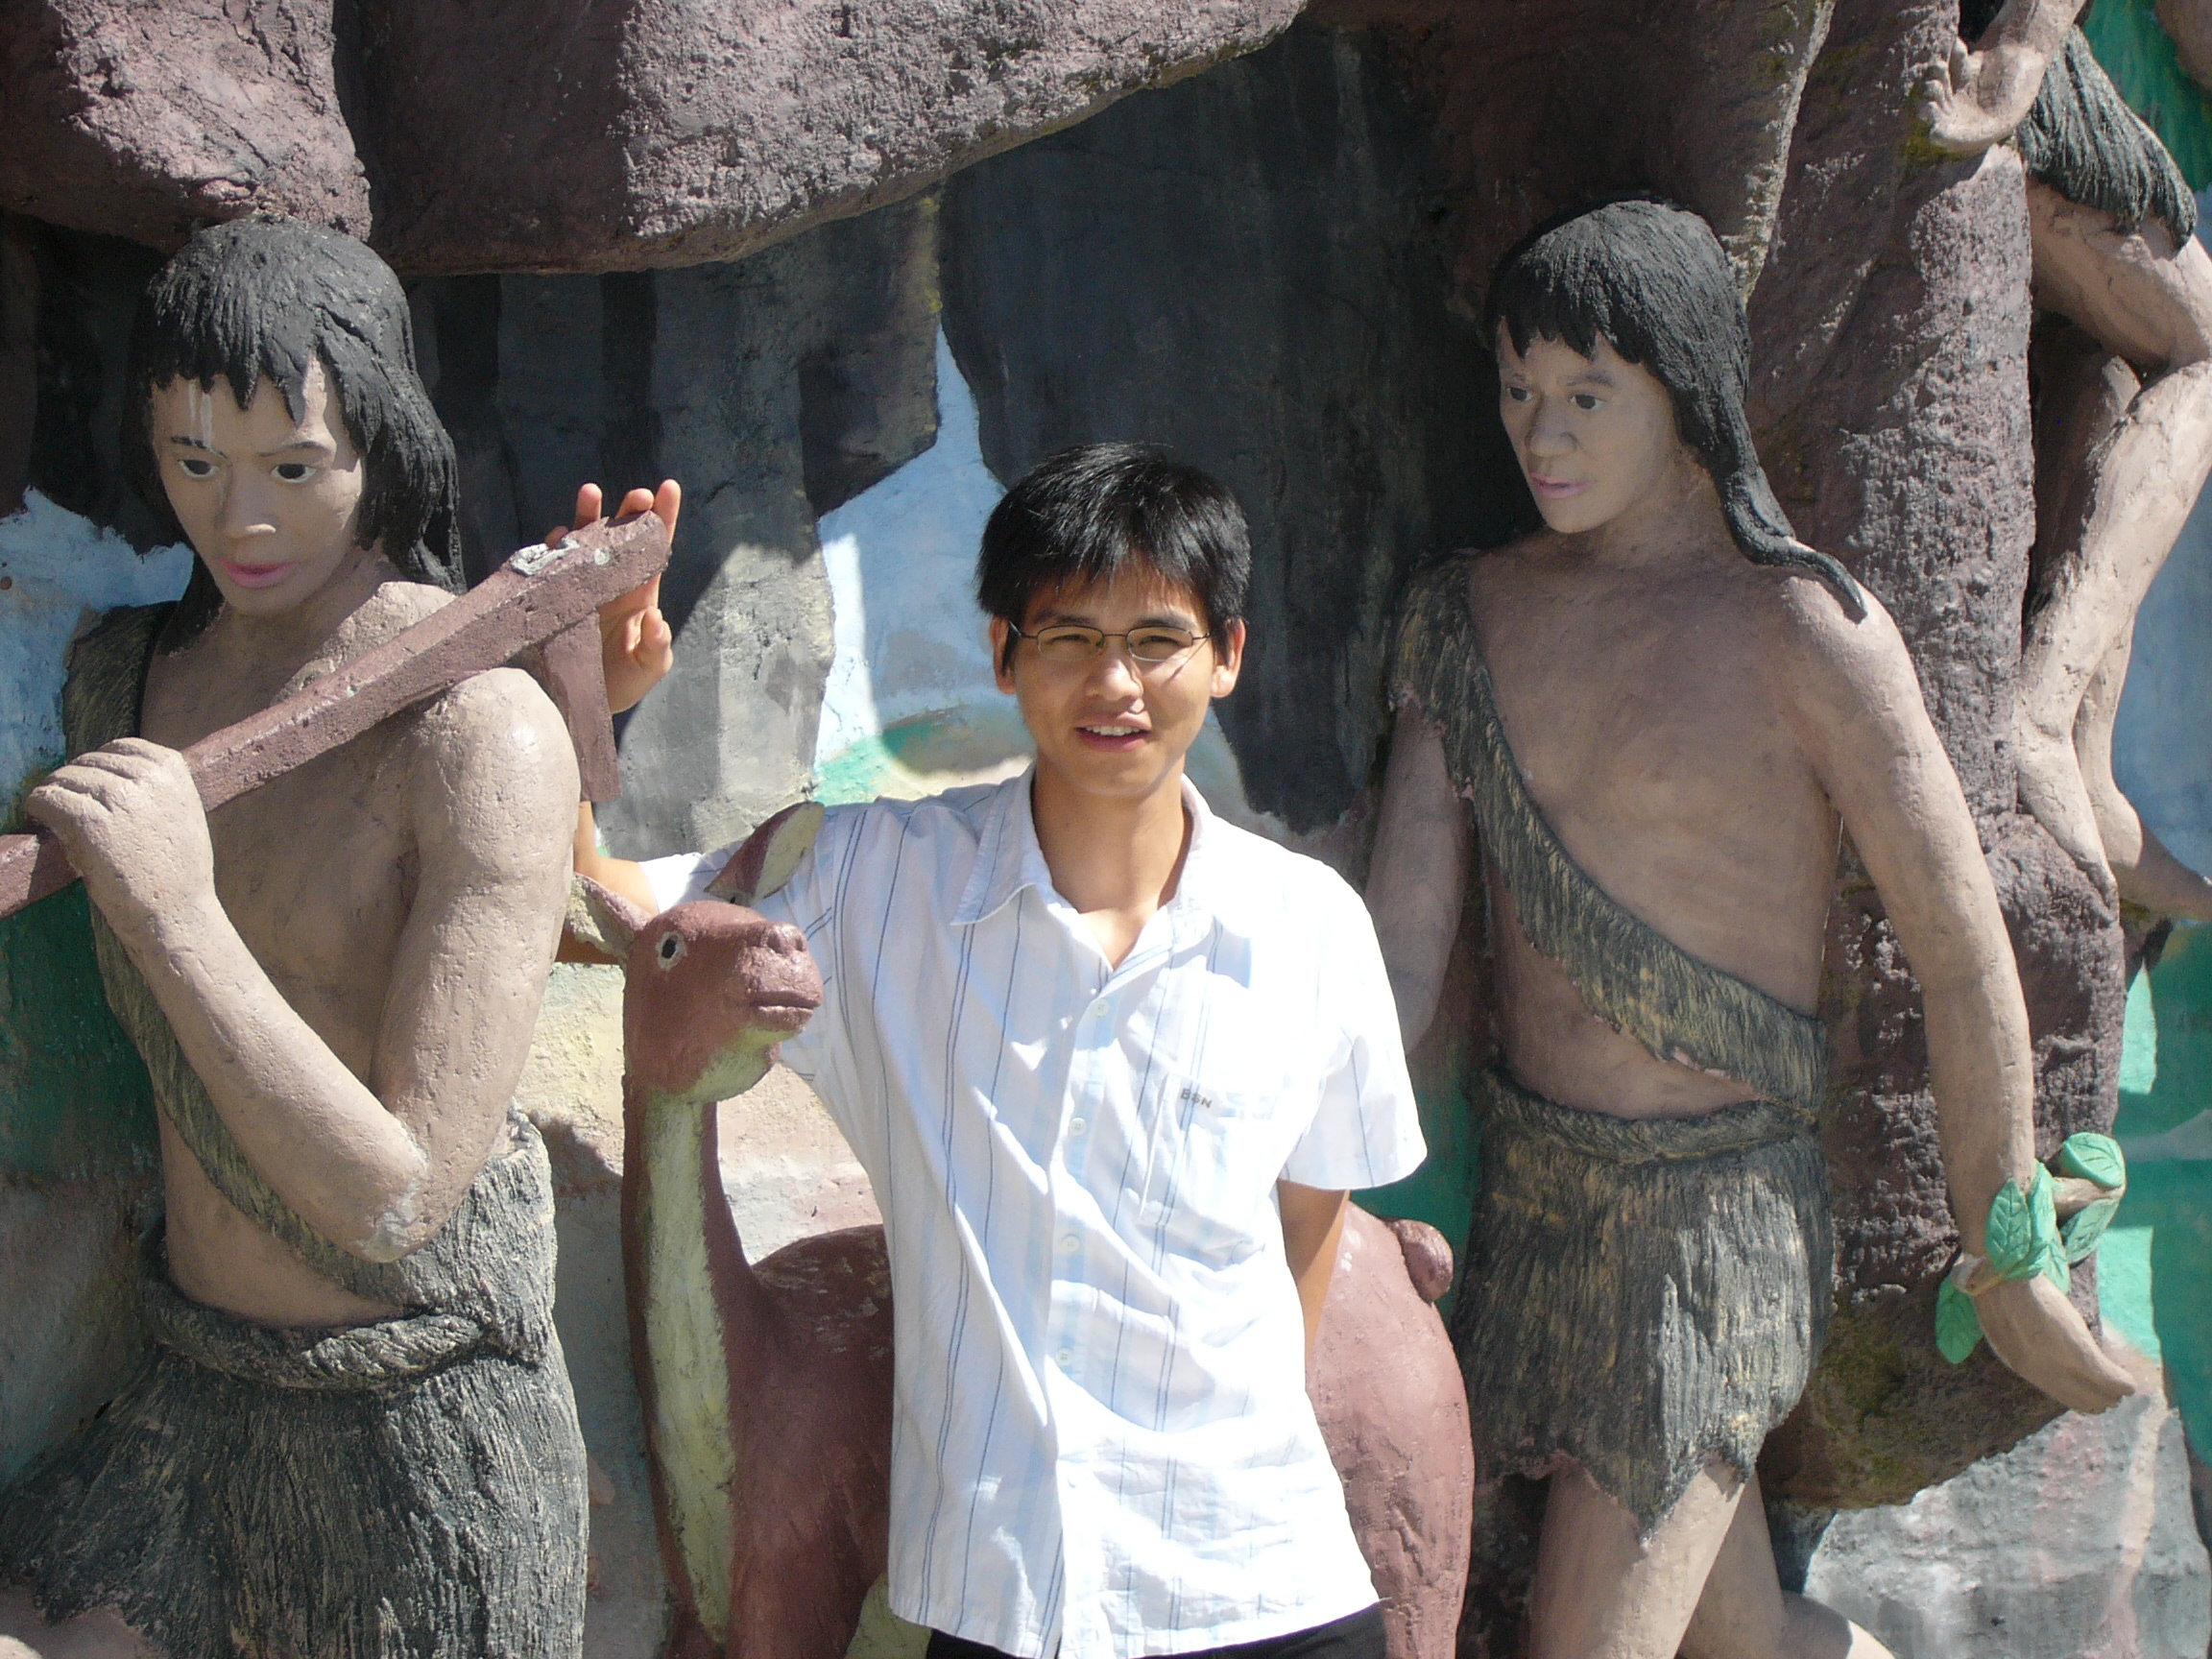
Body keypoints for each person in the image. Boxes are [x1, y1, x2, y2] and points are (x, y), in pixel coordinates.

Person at [1364, 198, 2133, 1659]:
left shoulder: (1807, 630)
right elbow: (1397, 966)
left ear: (1687, 391)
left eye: (1588, 395)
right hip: (1538, 1207)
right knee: (1743, 1639)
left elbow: (1959, 946)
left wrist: (2008, 1235)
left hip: (1714, 1233)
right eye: (1518, 391)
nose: (1542, 433)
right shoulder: (1463, 616)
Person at [577, 443, 1426, 1659]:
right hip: (1003, 1607)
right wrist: (587, 699)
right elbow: (642, 927)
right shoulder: (872, 881)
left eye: (1158, 639)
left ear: (1227, 654)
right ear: (1003, 652)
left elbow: (1309, 1226)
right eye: (1069, 637)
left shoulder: (1310, 928)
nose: (1114, 682)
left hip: (1268, 1597)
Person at [0, 216, 666, 1659]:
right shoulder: (121, 682)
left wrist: (177, 912)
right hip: (191, 1396)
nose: (238, 518)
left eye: (293, 469)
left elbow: (400, 1193)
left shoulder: (478, 733)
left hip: (416, 1432)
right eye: (193, 463)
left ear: (383, 443)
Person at [1929, 0, 2212, 919]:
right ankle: (2040, 712)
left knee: (2106, 371)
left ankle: (2085, 771)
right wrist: (2017, 57)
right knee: (2202, 350)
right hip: (2009, 88)